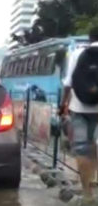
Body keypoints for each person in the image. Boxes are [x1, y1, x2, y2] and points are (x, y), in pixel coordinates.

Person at [60, 27, 98, 205]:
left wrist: (63, 105)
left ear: (90, 38)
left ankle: (87, 193)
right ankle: (95, 178)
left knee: (82, 148)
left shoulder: (78, 53)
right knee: (95, 144)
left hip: (80, 107)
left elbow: (68, 82)